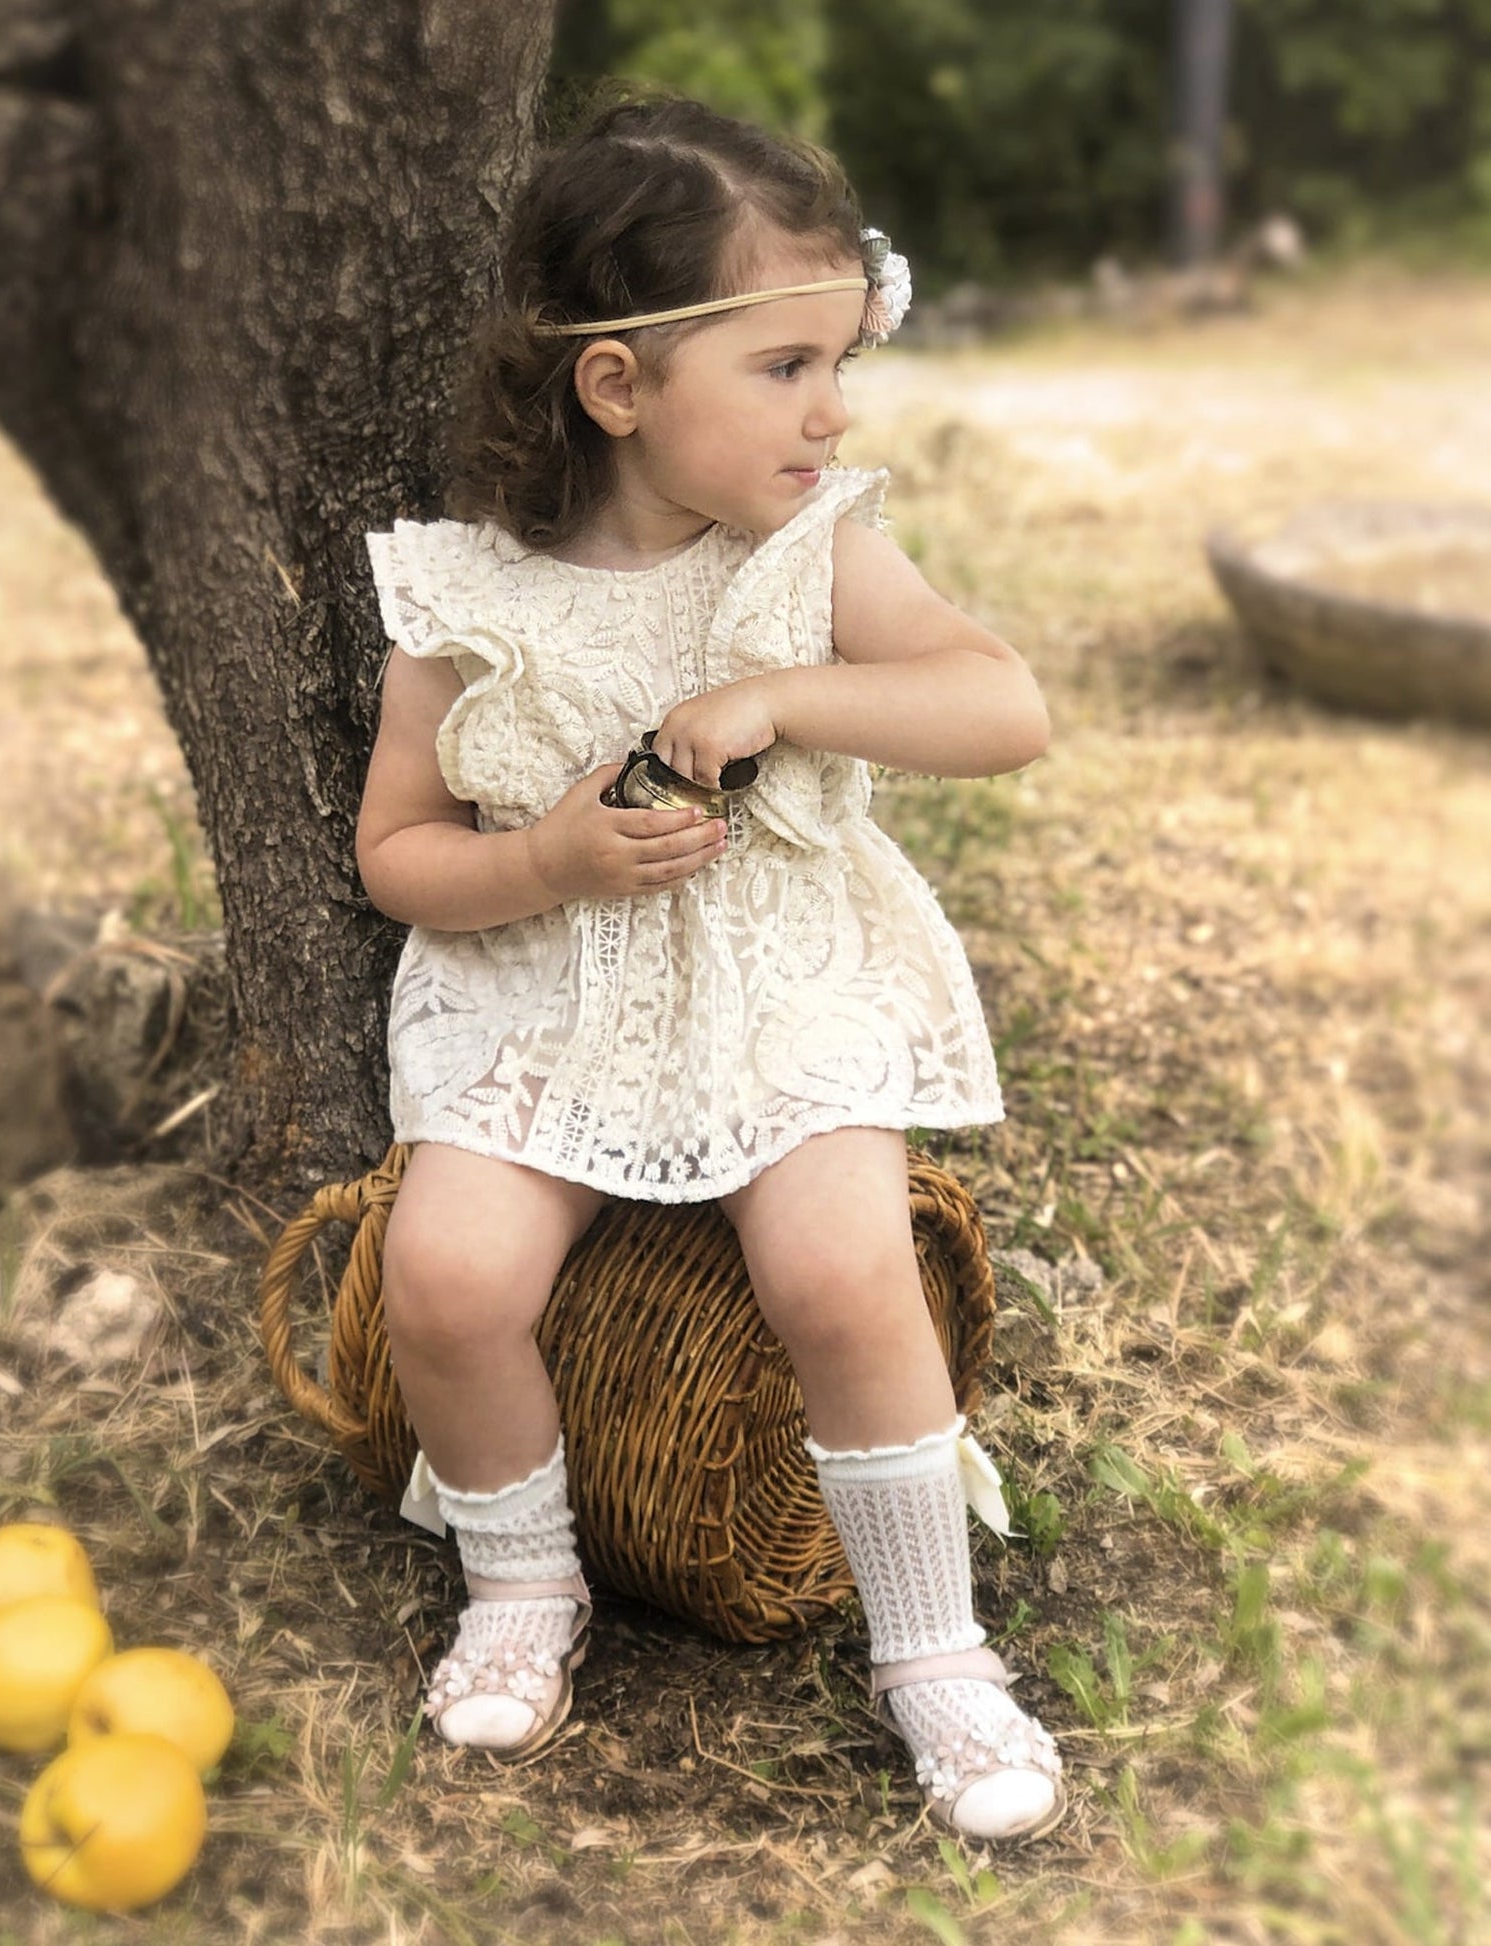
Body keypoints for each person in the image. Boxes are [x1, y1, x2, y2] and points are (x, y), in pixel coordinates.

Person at [353, 94, 1064, 1843]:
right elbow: (396, 854)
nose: (827, 410)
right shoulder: (468, 595)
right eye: (781, 366)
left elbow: (1003, 707)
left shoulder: (813, 554)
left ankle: (930, 1651)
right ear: (616, 385)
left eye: (839, 361)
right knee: (442, 1276)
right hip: (548, 984)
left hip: (775, 980)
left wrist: (785, 695)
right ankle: (521, 1582)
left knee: (839, 1269)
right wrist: (545, 857)